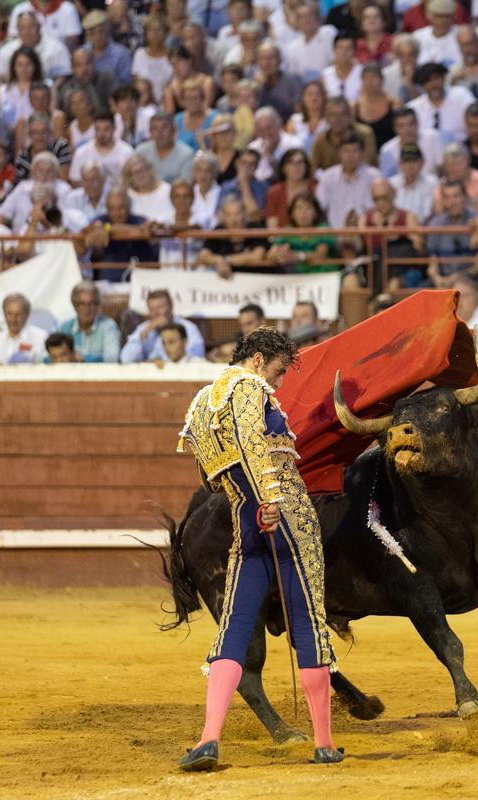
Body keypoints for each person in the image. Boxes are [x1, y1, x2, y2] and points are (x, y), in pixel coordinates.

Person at [176, 326, 342, 772]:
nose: (280, 381)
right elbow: (253, 444)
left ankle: (209, 738)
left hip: (244, 522)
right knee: (307, 622)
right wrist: (270, 500)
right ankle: (324, 742)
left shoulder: (201, 404)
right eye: (279, 370)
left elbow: (208, 477)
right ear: (258, 358)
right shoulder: (249, 389)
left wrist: (251, 506)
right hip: (283, 516)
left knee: (233, 626)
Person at [425, 180, 478, 286]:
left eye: (456, 196)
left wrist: (458, 278)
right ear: (443, 201)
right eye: (447, 198)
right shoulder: (435, 224)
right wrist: (436, 277)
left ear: (465, 197)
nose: (452, 202)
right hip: (444, 277)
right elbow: (433, 264)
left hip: (472, 277)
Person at [121, 289, 206, 364]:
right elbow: (126, 359)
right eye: (152, 309)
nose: (156, 313)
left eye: (160, 307)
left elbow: (196, 356)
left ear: (171, 306)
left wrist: (163, 362)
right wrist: (144, 333)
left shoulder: (188, 328)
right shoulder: (144, 329)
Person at [196, 196, 269, 278]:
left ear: (244, 214)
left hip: (255, 279)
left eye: (237, 214)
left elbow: (257, 256)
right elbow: (203, 255)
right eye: (229, 215)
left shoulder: (255, 228)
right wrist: (219, 260)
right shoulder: (218, 231)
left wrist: (226, 260)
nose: (234, 219)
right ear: (223, 217)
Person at [267, 193, 339, 273]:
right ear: (292, 214)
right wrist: (280, 255)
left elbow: (320, 255)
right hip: (299, 279)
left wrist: (298, 256)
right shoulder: (287, 231)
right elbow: (271, 254)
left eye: (308, 208)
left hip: (325, 275)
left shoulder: (324, 228)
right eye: (299, 208)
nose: (303, 212)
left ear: (315, 213)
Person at [407, 62, 475, 142]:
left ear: (443, 78)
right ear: (422, 85)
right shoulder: (414, 108)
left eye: (436, 78)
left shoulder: (461, 95)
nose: (433, 84)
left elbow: (476, 120)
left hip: (461, 148)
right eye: (428, 81)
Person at [56, 281, 120, 363]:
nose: (87, 308)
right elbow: (43, 356)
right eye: (81, 304)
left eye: (92, 303)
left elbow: (113, 357)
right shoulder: (64, 328)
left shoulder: (108, 325)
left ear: (98, 305)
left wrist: (84, 358)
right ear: (74, 306)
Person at [311, 96, 378, 171]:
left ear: (349, 116)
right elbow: (313, 169)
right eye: (333, 115)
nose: (337, 119)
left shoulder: (365, 134)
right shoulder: (321, 140)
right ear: (326, 118)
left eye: (342, 114)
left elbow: (367, 163)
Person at [0, 293, 50, 365]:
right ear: (4, 314)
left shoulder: (40, 337)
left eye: (18, 314)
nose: (13, 319)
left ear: (27, 315)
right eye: (9, 314)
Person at [136, 113, 197, 184]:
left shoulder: (187, 154)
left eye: (164, 128)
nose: (159, 133)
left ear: (173, 130)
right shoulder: (141, 152)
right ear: (150, 131)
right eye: (154, 128)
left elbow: (185, 186)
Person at [390, 143, 438, 222]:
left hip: (424, 230)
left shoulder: (433, 183)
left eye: (413, 161)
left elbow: (436, 213)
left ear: (422, 162)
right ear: (400, 163)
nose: (409, 166)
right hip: (397, 231)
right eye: (406, 161)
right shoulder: (391, 184)